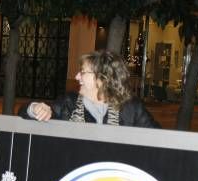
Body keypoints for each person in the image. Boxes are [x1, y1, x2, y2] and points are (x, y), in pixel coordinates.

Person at [19, 50, 159, 127]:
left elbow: (158, 139)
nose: (77, 76)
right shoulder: (70, 103)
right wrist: (35, 108)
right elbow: (22, 112)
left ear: (102, 79)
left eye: (83, 72)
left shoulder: (131, 108)